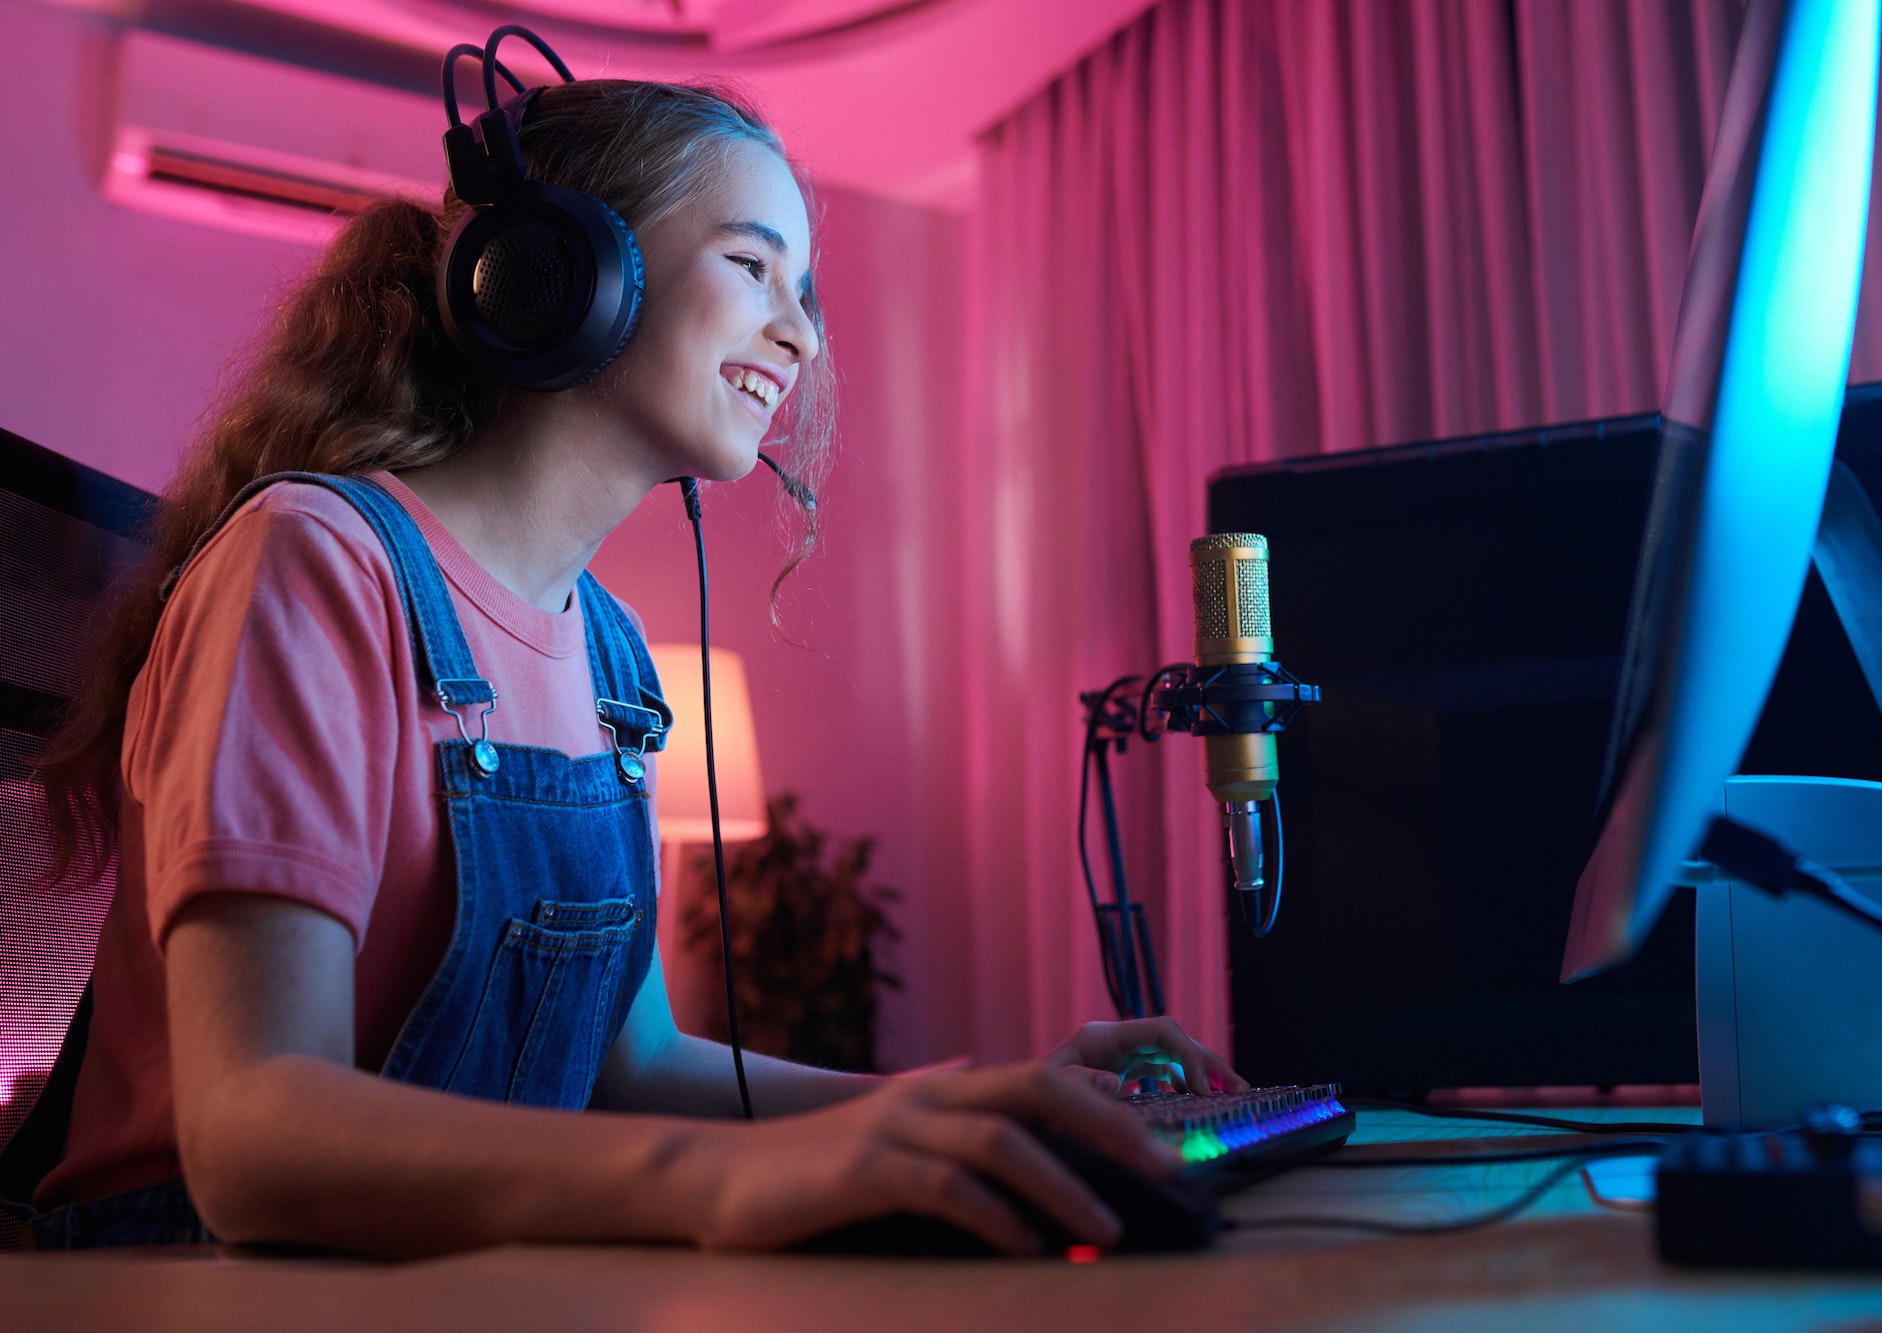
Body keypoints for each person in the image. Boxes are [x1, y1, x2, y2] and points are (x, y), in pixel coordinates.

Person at [15, 69, 1244, 1258]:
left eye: (802, 290)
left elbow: (635, 1061)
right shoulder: (316, 564)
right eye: (753, 266)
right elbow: (252, 1142)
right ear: (564, 278)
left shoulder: (611, 653)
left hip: (443, 1271)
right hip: (188, 1278)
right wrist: (723, 1183)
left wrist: (979, 1098)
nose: (803, 337)